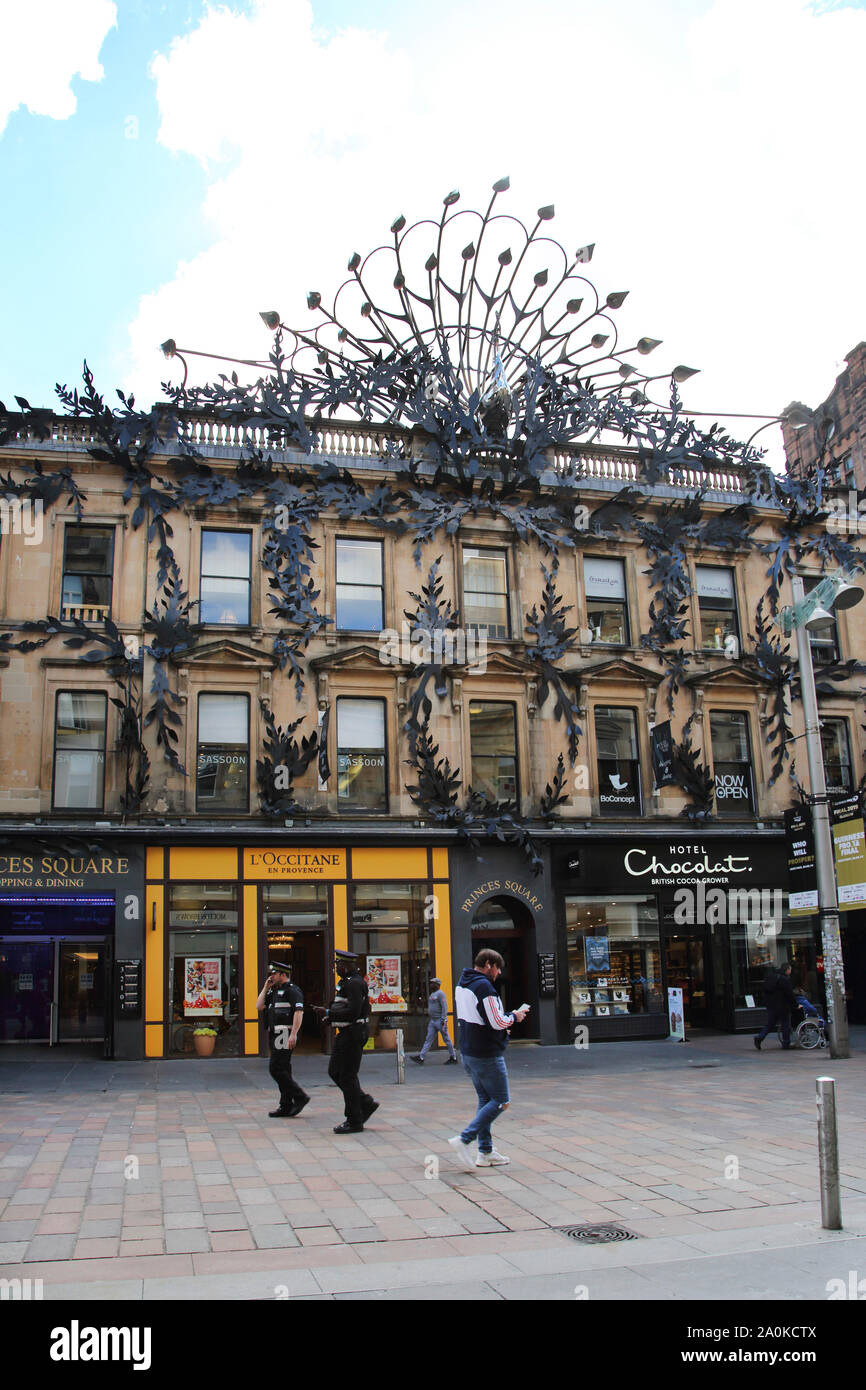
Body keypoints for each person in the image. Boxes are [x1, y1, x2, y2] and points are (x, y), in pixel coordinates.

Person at [448, 948, 529, 1169]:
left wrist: (502, 1023)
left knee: (485, 1100)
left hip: (469, 1051)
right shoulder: (484, 987)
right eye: (497, 967)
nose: (499, 972)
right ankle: (464, 1139)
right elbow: (496, 1021)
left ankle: (485, 1152)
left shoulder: (462, 984)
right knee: (501, 1101)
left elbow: (478, 1018)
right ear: (487, 965)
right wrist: (514, 1017)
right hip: (487, 1054)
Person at [315, 949, 379, 1134]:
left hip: (353, 1033)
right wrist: (331, 1018)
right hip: (346, 1032)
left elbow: (353, 1012)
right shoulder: (346, 982)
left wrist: (329, 1013)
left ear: (348, 966)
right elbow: (344, 1007)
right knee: (335, 1072)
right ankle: (364, 1102)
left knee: (347, 1076)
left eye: (339, 965)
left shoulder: (355, 984)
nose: (337, 968)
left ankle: (354, 1119)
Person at [256, 961, 309, 1117]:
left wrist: (294, 1034)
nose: (271, 976)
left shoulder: (292, 990)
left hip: (284, 1033)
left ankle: (299, 1096)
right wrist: (265, 987)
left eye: (274, 974)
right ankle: (285, 1104)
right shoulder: (274, 991)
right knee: (284, 1069)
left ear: (282, 974)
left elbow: (299, 1012)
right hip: (275, 1032)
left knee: (276, 1068)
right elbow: (259, 1006)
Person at [410, 977, 458, 1064]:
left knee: (446, 1039)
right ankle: (421, 1057)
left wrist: (443, 1019)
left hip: (440, 1021)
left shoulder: (440, 994)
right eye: (431, 983)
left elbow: (444, 1007)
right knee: (428, 1039)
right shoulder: (432, 994)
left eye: (433, 983)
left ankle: (453, 1057)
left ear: (437, 984)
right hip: (433, 1021)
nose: (431, 985)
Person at [754, 961, 796, 1050]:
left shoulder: (771, 977)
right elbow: (790, 994)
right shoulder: (785, 980)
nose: (790, 971)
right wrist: (795, 1004)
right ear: (787, 970)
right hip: (783, 1005)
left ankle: (760, 1037)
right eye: (790, 970)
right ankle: (786, 1043)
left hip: (771, 1005)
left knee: (770, 1024)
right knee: (785, 1024)